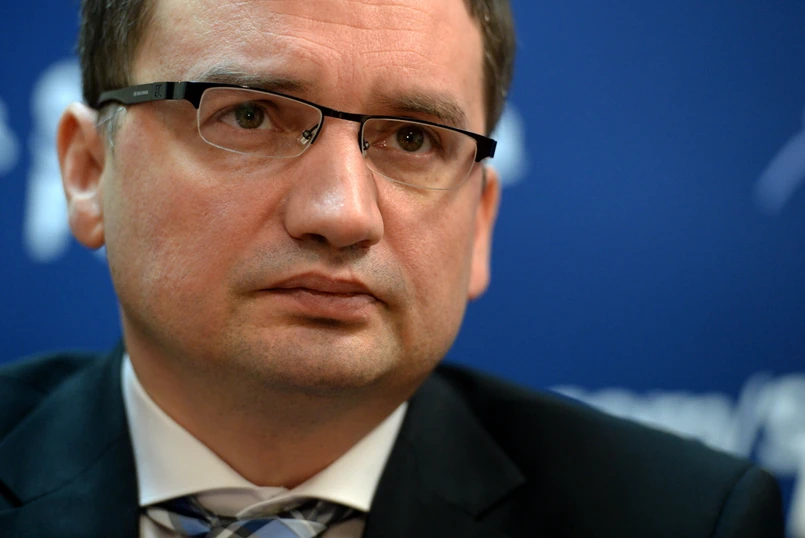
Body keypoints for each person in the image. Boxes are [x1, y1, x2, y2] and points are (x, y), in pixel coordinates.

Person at [0, 0, 785, 536]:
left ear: (480, 222)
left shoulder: (677, 519)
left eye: (413, 139)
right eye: (249, 114)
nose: (343, 214)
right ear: (87, 171)